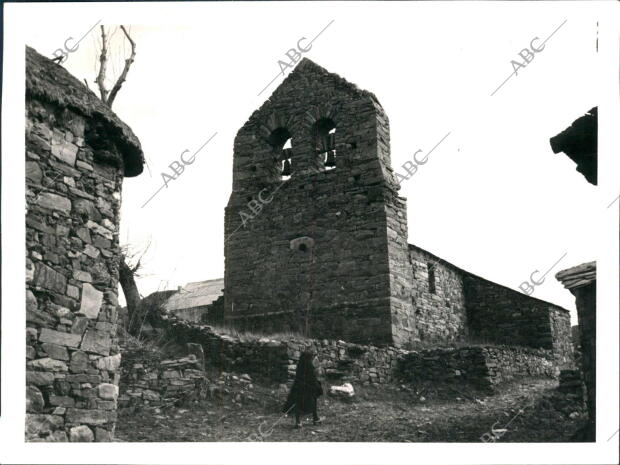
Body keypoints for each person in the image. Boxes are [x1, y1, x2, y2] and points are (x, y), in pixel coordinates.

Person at [283, 351, 323, 428]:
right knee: (313, 402)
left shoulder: (300, 365)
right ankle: (315, 418)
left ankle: (298, 422)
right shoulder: (310, 366)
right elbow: (312, 378)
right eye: (311, 357)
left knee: (298, 404)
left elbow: (298, 378)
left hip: (299, 388)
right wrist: (317, 386)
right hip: (309, 389)